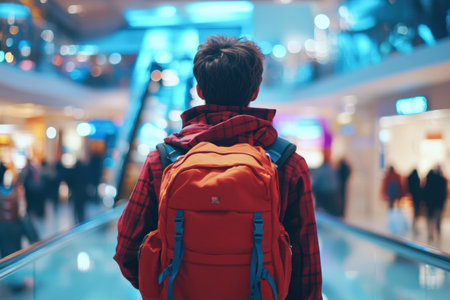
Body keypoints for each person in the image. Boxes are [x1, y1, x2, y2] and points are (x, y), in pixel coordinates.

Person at [114, 36, 322, 299]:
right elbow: (308, 270)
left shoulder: (164, 160)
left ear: (199, 90)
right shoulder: (287, 162)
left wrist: (166, 287)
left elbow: (126, 250)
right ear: (255, 91)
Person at [423, 166, 448, 242]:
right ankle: (436, 234)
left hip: (431, 203)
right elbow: (444, 193)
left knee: (431, 218)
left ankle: (432, 233)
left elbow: (425, 191)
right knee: (437, 219)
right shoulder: (442, 180)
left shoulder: (429, 179)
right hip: (437, 203)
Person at [406, 169, 422, 234]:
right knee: (416, 212)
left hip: (414, 197)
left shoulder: (410, 178)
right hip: (417, 198)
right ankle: (414, 224)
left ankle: (414, 224)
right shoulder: (416, 179)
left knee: (415, 211)